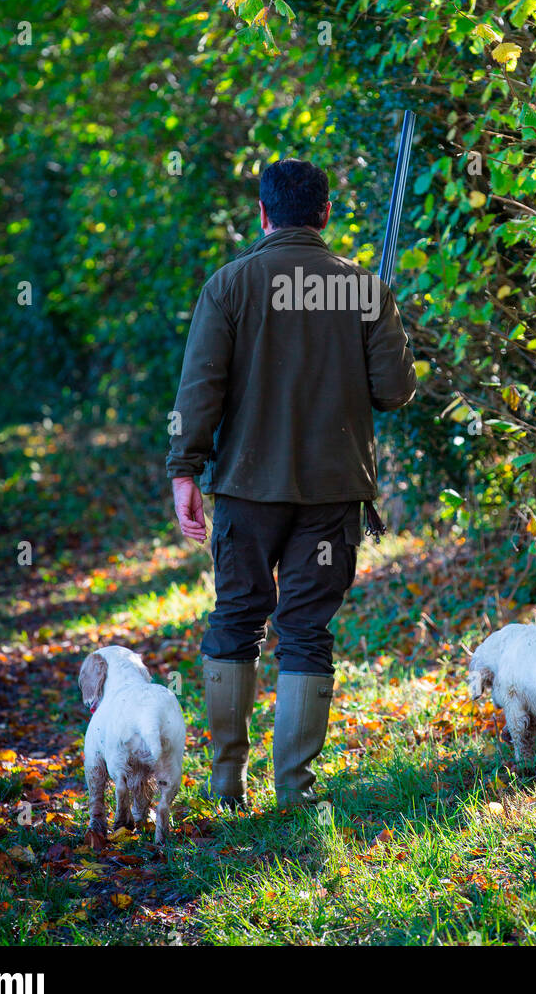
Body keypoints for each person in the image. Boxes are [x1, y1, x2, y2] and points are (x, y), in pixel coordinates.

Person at [167, 158, 416, 807]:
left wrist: (184, 469)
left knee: (237, 618)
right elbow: (395, 393)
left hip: (247, 490)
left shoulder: (229, 285)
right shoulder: (364, 290)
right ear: (326, 214)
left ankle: (226, 780)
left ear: (263, 213)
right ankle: (296, 791)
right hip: (331, 497)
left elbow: (200, 391)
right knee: (306, 629)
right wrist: (377, 332)